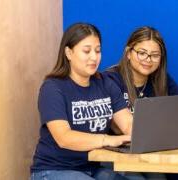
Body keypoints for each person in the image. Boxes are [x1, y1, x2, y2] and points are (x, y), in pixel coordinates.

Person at [30, 23, 133, 180]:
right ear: (68, 53)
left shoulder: (106, 83)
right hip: (54, 170)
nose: (94, 57)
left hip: (93, 167)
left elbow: (127, 124)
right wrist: (108, 140)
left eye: (98, 51)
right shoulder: (52, 88)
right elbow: (64, 138)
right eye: (86, 51)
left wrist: (138, 134)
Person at [103, 26, 178, 114]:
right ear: (128, 53)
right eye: (142, 53)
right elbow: (119, 125)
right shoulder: (111, 80)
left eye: (155, 55)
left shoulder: (162, 79)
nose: (148, 59)